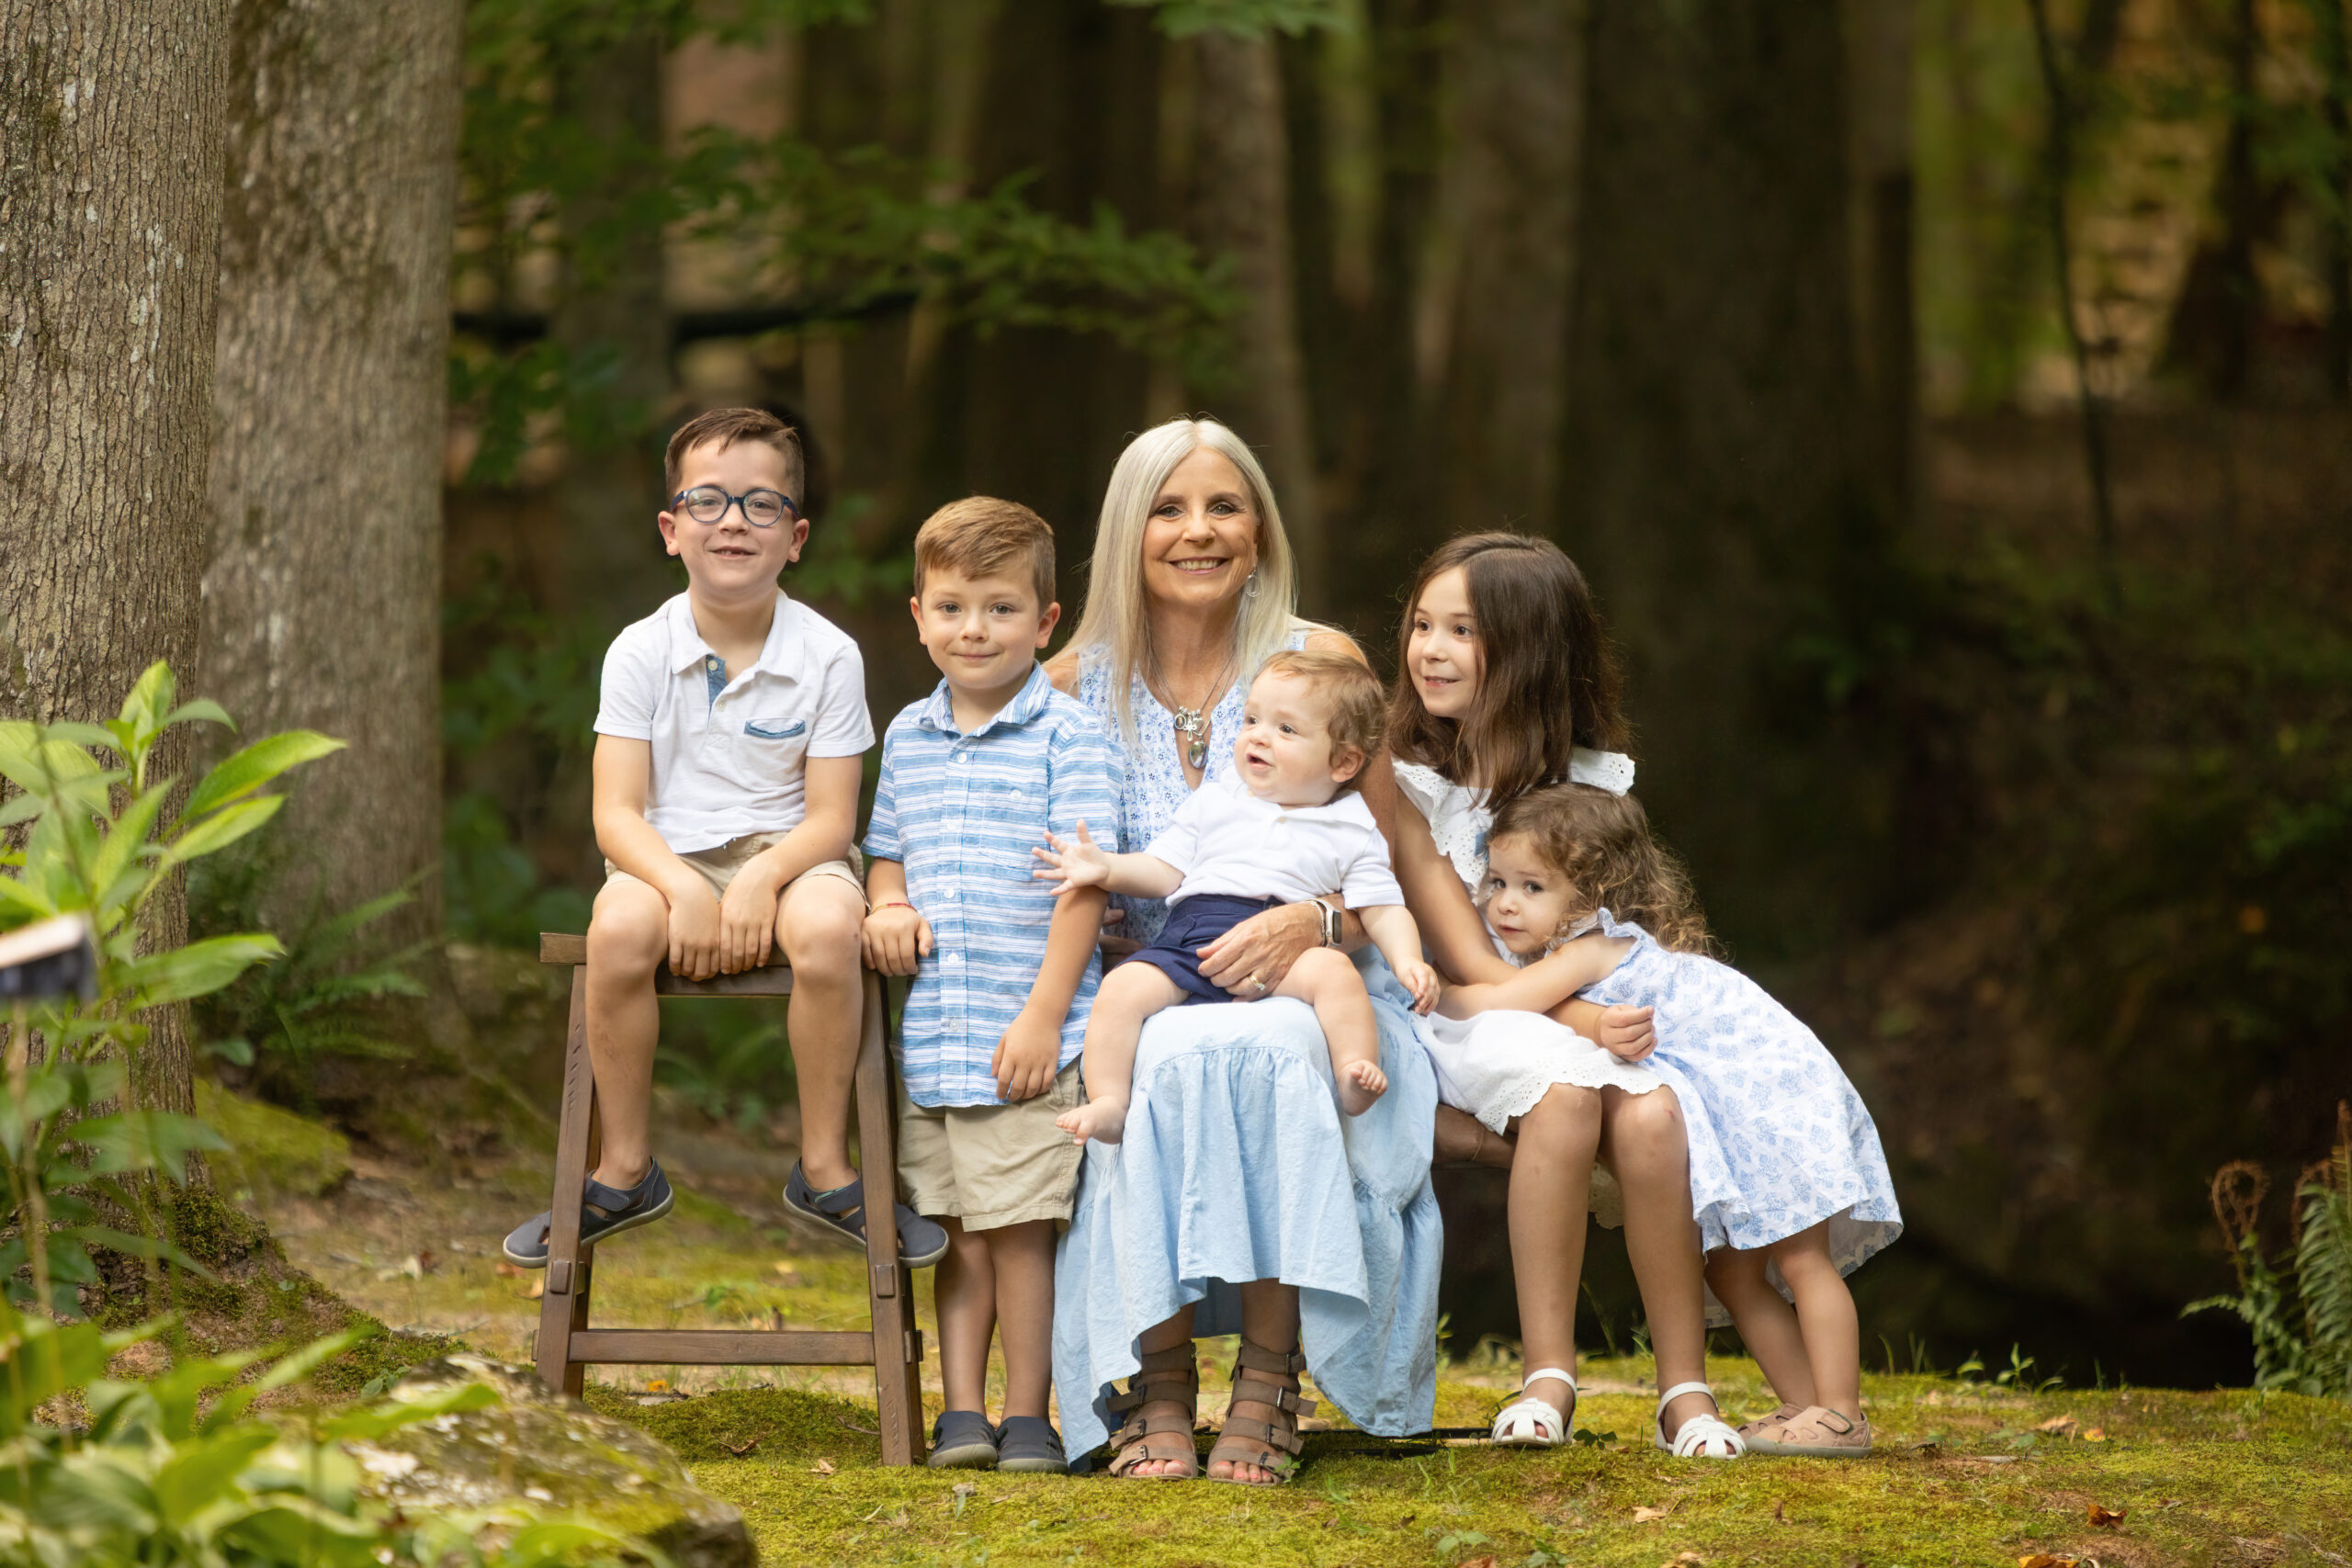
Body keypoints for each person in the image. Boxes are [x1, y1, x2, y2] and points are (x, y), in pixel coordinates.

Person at [1046, 418, 1443, 1485]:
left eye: (1224, 506)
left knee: (1270, 1053)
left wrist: (1314, 927)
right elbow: (1050, 859)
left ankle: (1269, 1378)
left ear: (1261, 530)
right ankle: (1158, 1381)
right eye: (1168, 510)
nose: (1198, 531)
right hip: (1157, 974)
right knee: (1159, 1058)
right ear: (1129, 534)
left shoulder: (1322, 665)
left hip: (1315, 980)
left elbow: (1385, 864)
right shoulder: (1072, 680)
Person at [503, 408, 945, 1273]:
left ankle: (823, 1167)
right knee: (619, 932)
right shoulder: (637, 651)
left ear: (797, 535)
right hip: (663, 855)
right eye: (707, 501)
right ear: (671, 530)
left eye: (760, 504)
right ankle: (625, 1168)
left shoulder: (828, 653)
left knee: (826, 931)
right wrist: (685, 888)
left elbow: (830, 818)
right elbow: (617, 815)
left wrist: (760, 881)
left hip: (794, 854)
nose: (733, 520)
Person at [1380, 532, 1748, 1459]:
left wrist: (1602, 1015)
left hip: (1548, 1011)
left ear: (1531, 649)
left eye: (1461, 630)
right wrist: (1583, 1018)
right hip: (1445, 1011)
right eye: (1421, 625)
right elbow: (1464, 965)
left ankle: (1685, 1389)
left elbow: (1616, 940)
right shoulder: (1403, 781)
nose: (1429, 648)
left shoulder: (1585, 785)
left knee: (1658, 1114)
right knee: (1566, 1090)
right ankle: (1549, 1374)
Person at [1458, 783, 1903, 1458]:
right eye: (1496, 881)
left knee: (1802, 1257)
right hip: (1743, 1104)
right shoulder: (1602, 951)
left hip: (1773, 1099)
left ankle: (1842, 1412)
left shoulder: (1590, 947)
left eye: (1531, 886)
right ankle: (1807, 1406)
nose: (1505, 902)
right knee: (1732, 1272)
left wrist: (1434, 990)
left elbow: (1504, 1002)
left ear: (1589, 896)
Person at [861, 498, 1123, 1475]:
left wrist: (1044, 1018)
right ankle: (959, 1414)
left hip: (1028, 1037)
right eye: (954, 608)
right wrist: (885, 905)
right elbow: (884, 853)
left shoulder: (1069, 738)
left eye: (1002, 609)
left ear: (1046, 622)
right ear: (919, 615)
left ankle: (1029, 1416)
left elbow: (1084, 889)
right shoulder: (910, 736)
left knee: (1021, 1233)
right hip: (937, 1037)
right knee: (958, 1232)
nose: (975, 630)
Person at [1034, 650, 1441, 1145]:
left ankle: (1353, 1072)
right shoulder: (1218, 797)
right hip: (1190, 939)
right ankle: (1111, 1101)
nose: (1258, 735)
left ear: (1343, 762)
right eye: (1251, 719)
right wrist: (1106, 867)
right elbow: (1165, 870)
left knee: (1335, 975)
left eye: (1286, 730)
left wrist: (1409, 961)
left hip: (1287, 955)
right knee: (1120, 991)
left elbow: (1381, 906)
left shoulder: (1352, 826)